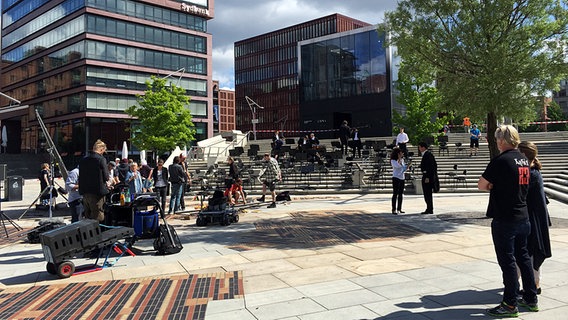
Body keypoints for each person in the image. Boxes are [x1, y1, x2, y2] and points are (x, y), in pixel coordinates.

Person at [478, 125, 538, 317]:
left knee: (508, 261)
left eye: (496, 139)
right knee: (523, 258)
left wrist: (493, 186)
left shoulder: (501, 160)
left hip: (505, 218)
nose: (496, 142)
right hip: (523, 216)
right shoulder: (523, 159)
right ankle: (530, 298)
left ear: (502, 141)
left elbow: (481, 185)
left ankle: (510, 304)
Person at [518, 141, 552, 295]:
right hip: (538, 217)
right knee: (530, 252)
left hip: (532, 219)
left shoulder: (529, 173)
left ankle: (532, 286)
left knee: (529, 252)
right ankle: (532, 284)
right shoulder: (535, 171)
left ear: (523, 155)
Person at [79, 139, 109, 221]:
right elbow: (106, 177)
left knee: (87, 216)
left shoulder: (83, 160)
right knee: (98, 217)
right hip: (97, 192)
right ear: (102, 149)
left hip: (85, 192)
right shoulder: (101, 159)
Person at [418, 141, 437, 215]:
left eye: (419, 147)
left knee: (428, 193)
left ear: (423, 147)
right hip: (426, 175)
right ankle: (429, 207)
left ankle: (430, 208)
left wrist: (427, 177)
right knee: (426, 193)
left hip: (427, 177)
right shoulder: (426, 155)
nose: (419, 149)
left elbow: (431, 167)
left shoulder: (428, 155)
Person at [390, 148, 407, 215]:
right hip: (396, 177)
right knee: (395, 193)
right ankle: (393, 209)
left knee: (400, 194)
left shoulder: (402, 160)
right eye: (400, 153)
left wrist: (405, 167)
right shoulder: (393, 160)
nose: (402, 154)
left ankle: (399, 208)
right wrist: (399, 159)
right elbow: (397, 166)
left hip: (402, 177)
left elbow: (403, 167)